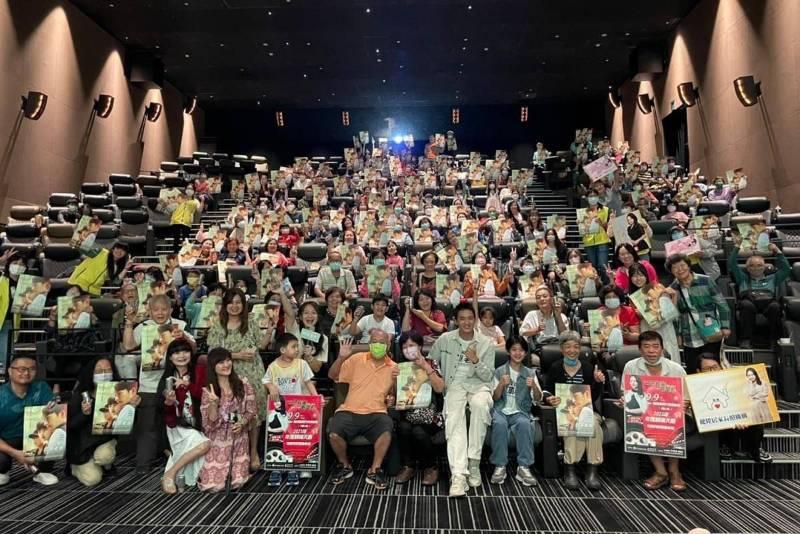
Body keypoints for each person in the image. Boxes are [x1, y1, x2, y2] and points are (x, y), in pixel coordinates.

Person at [121, 293, 196, 473]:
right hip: (149, 384)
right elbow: (128, 346)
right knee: (147, 425)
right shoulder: (144, 326)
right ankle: (143, 464)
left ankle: (182, 460)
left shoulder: (180, 325)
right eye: (156, 310)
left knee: (180, 423)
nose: (160, 313)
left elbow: (193, 348)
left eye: (164, 309)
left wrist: (183, 337)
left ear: (170, 310)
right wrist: (129, 323)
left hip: (176, 381)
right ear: (149, 311)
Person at [428, 303, 494, 498]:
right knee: (454, 420)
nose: (466, 322)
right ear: (456, 321)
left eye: (470, 318)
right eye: (462, 318)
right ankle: (458, 475)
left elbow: (488, 376)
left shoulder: (486, 343)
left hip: (479, 385)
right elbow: (431, 360)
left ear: (475, 320)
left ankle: (474, 462)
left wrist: (476, 361)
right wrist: (435, 377)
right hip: (454, 385)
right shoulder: (445, 339)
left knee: (480, 405)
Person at [207, 288, 270, 471]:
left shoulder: (251, 322)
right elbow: (213, 353)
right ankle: (235, 451)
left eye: (238, 302)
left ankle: (253, 451)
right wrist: (236, 355)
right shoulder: (218, 326)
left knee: (253, 412)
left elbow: (261, 345)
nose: (234, 306)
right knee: (235, 411)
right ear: (225, 305)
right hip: (229, 375)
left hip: (253, 373)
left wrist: (269, 331)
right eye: (231, 302)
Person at [327, 331, 397, 490]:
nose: (377, 345)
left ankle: (375, 469)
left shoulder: (394, 367)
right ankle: (345, 466)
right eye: (374, 341)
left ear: (388, 345)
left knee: (387, 429)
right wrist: (341, 358)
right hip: (349, 410)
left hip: (377, 412)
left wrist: (392, 395)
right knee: (333, 432)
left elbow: (396, 395)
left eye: (381, 342)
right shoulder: (356, 359)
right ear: (369, 343)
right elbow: (332, 375)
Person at [622, 331, 689, 492]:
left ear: (662, 348)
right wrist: (625, 400)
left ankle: (674, 470)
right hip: (645, 413)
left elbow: (687, 396)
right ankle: (660, 471)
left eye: (655, 346)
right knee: (645, 420)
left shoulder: (676, 369)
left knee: (673, 420)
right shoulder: (631, 366)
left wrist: (683, 405)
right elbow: (626, 392)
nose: (651, 351)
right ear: (640, 349)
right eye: (646, 346)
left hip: (674, 413)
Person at [542, 331, 605, 491]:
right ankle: (569, 470)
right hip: (565, 413)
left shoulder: (588, 367)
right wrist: (549, 399)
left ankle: (592, 470)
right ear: (562, 349)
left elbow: (593, 396)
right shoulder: (555, 367)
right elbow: (546, 391)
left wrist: (597, 382)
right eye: (568, 347)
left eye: (576, 347)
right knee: (572, 423)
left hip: (587, 411)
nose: (572, 350)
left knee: (592, 424)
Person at [262, 333, 318, 486]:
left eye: (297, 346)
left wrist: (316, 398)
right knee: (279, 437)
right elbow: (266, 380)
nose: (297, 349)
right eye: (293, 347)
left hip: (297, 408)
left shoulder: (301, 364)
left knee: (295, 437)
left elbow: (308, 382)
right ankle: (278, 467)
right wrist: (271, 386)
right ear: (282, 350)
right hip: (279, 408)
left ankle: (294, 466)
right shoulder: (273, 366)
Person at [198, 348, 257, 492]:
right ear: (213, 366)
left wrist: (241, 423)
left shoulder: (243, 383)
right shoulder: (208, 390)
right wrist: (214, 404)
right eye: (221, 362)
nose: (226, 365)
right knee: (212, 485)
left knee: (237, 482)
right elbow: (210, 424)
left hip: (238, 436)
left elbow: (251, 410)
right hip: (217, 438)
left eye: (228, 360)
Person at [157, 339, 210, 494]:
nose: (181, 356)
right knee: (204, 445)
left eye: (185, 351)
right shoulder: (167, 379)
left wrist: (188, 385)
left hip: (198, 422)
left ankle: (170, 472)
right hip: (177, 425)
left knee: (203, 450)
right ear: (170, 357)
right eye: (176, 353)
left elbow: (206, 396)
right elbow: (164, 413)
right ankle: (171, 474)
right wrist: (169, 402)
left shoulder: (199, 371)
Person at [393, 332, 445, 486]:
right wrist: (394, 380)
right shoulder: (400, 366)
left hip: (431, 415)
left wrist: (426, 367)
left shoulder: (431, 362)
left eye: (412, 345)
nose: (408, 349)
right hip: (408, 412)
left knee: (418, 431)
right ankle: (408, 466)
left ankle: (431, 467)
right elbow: (396, 395)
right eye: (404, 347)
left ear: (420, 346)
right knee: (403, 427)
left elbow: (440, 388)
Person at [697, 355, 771, 462]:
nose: (712, 371)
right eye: (707, 369)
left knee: (753, 415)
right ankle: (725, 446)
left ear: (721, 367)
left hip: (738, 417)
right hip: (715, 423)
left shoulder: (732, 381)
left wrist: (743, 417)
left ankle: (754, 448)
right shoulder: (695, 386)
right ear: (699, 371)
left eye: (715, 367)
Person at [489, 336, 541, 487]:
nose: (518, 353)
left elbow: (538, 399)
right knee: (499, 424)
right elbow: (494, 398)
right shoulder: (499, 371)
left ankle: (524, 467)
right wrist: (501, 385)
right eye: (514, 350)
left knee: (525, 424)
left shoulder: (530, 373)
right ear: (508, 351)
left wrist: (534, 387)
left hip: (520, 411)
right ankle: (500, 466)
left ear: (525, 353)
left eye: (521, 350)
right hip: (501, 410)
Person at [0, 355, 59, 486]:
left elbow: (52, 417)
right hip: (6, 439)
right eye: (21, 369)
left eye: (31, 369)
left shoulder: (41, 388)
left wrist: (52, 411)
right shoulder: (1, 395)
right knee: (1, 461)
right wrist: (15, 453)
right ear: (10, 371)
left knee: (56, 433)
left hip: (34, 436)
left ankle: (42, 471)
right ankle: (3, 470)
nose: (26, 373)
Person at [667, 254, 731, 373]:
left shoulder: (706, 280)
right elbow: (675, 316)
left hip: (711, 331)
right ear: (671, 271)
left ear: (689, 266)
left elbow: (722, 304)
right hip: (689, 335)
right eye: (675, 267)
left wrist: (725, 326)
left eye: (682, 265)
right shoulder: (673, 288)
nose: (680, 269)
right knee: (693, 370)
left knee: (714, 368)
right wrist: (678, 335)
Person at [66, 356, 121, 487]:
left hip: (104, 440)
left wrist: (131, 407)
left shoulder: (118, 394)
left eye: (108, 370)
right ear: (91, 373)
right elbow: (71, 426)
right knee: (92, 480)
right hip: (82, 445)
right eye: (99, 371)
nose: (104, 374)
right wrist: (84, 414)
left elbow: (128, 424)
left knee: (105, 456)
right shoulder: (80, 395)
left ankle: (106, 465)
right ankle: (74, 468)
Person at [728, 242, 789, 349]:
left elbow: (786, 269)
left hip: (768, 303)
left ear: (764, 267)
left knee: (775, 307)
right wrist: (737, 246)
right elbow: (732, 263)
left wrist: (777, 250)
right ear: (747, 268)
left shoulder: (773, 278)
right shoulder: (742, 278)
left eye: (759, 265)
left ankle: (774, 340)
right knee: (746, 305)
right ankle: (746, 340)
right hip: (749, 302)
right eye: (752, 265)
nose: (756, 268)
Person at [627, 263, 680, 362]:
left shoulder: (658, 287)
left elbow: (670, 310)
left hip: (665, 326)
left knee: (669, 352)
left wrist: (674, 297)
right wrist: (640, 315)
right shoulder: (632, 297)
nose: (638, 279)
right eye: (634, 276)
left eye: (641, 275)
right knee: (652, 354)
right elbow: (637, 319)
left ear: (646, 275)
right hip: (648, 328)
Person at [519, 285, 568, 351]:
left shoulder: (561, 316)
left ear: (551, 299)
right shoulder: (531, 315)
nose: (541, 299)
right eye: (538, 297)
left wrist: (558, 316)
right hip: (539, 348)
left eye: (545, 296)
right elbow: (522, 332)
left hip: (558, 348)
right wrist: (537, 330)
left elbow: (566, 336)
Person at [580, 192, 611, 284]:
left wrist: (600, 222)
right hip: (588, 242)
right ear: (587, 198)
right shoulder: (583, 212)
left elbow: (609, 227)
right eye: (590, 196)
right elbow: (582, 230)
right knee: (592, 266)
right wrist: (580, 224)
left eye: (594, 196)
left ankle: (606, 286)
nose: (593, 198)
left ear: (598, 197)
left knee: (602, 266)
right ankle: (595, 286)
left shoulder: (605, 209)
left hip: (602, 241)